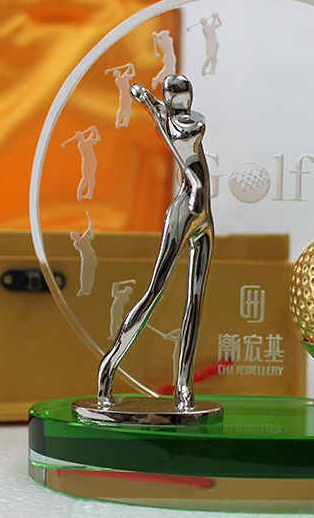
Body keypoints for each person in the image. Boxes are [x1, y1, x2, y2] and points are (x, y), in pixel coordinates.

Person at [97, 74, 213, 413]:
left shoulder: (187, 119)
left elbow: (167, 114)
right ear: (170, 98)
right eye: (176, 93)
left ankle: (184, 388)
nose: (183, 97)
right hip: (185, 209)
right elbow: (170, 130)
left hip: (206, 215)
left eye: (185, 91)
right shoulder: (170, 123)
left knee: (195, 302)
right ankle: (107, 370)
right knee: (154, 294)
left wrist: (149, 101)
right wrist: (147, 101)